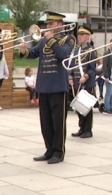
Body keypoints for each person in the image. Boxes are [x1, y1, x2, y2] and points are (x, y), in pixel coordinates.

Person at [19, 12, 75, 164]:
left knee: (58, 121)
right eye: (47, 24)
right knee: (46, 121)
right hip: (43, 85)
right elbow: (34, 53)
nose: (48, 27)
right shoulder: (43, 41)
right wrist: (24, 51)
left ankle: (58, 151)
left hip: (58, 85)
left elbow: (62, 54)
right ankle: (49, 149)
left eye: (51, 24)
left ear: (59, 24)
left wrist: (51, 39)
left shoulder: (68, 39)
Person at [69, 26, 97, 138]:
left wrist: (85, 77)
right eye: (79, 34)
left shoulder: (91, 51)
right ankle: (81, 128)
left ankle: (88, 130)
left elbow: (92, 68)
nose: (79, 36)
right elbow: (71, 66)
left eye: (82, 35)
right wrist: (70, 78)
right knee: (78, 107)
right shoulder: (76, 50)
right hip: (76, 83)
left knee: (86, 107)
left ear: (87, 36)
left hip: (86, 83)